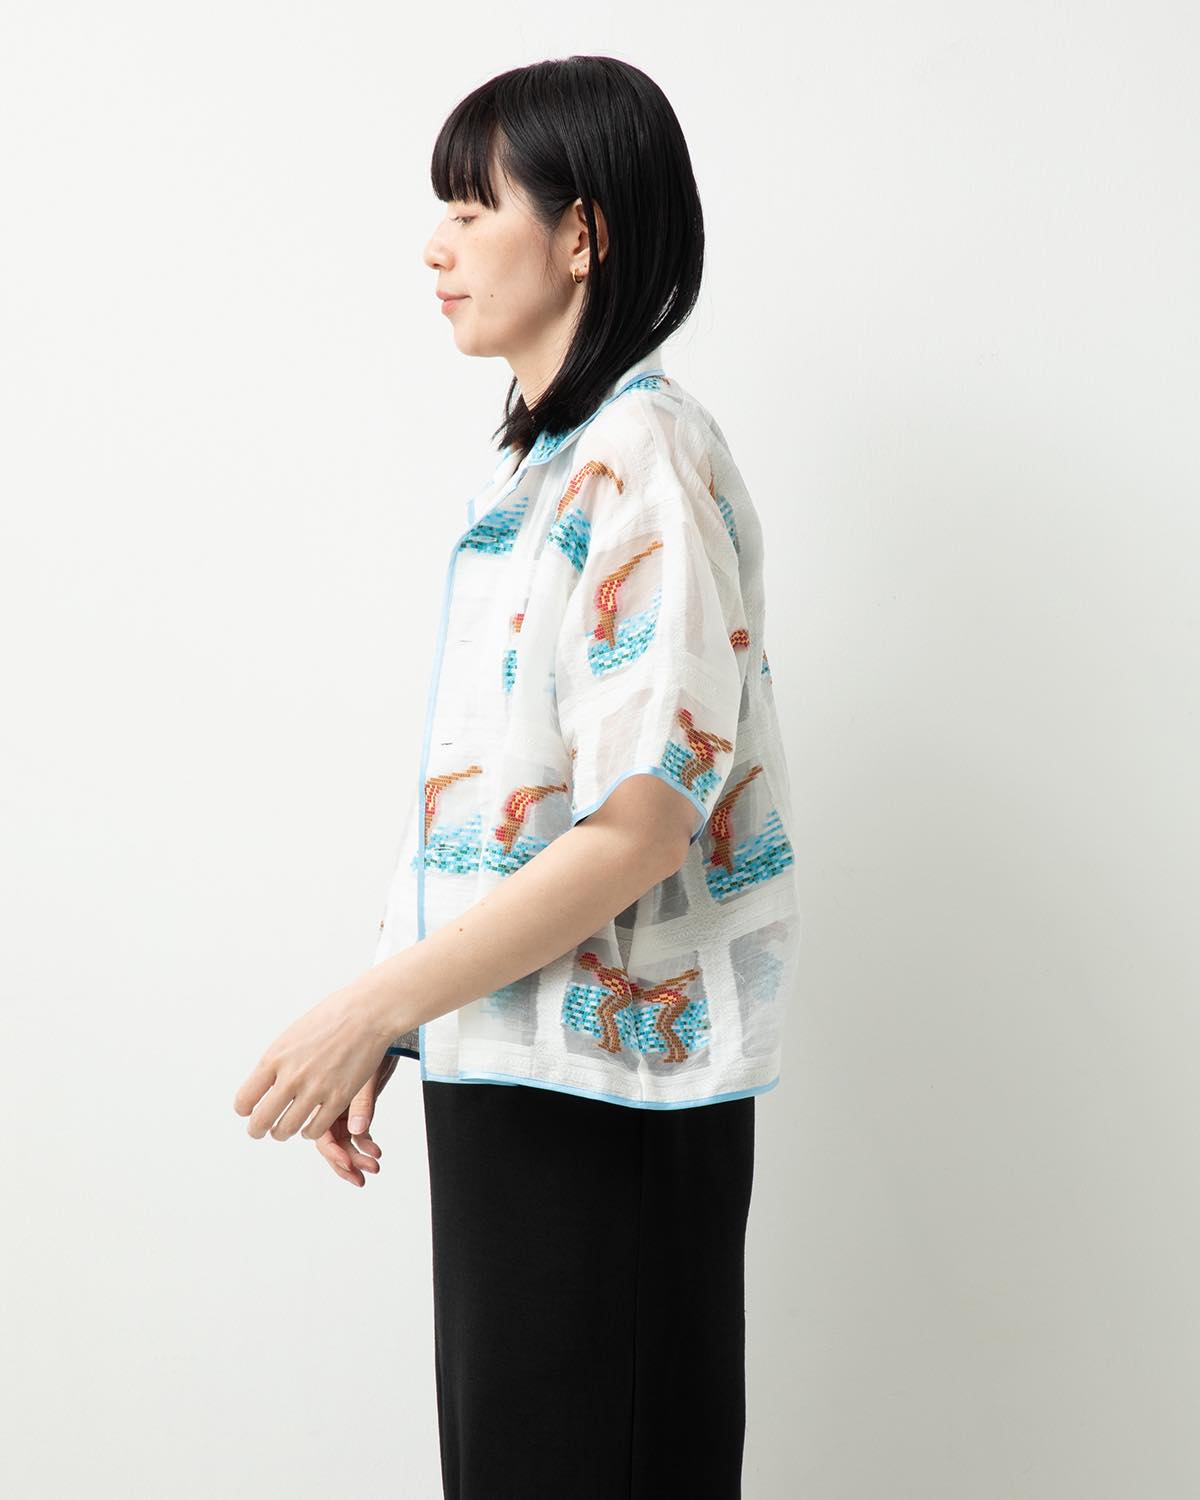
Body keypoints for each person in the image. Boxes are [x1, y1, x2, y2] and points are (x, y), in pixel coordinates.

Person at [234, 54, 801, 1500]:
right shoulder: (543, 469)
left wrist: (372, 1006)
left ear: (582, 233)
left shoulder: (643, 456)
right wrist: (398, 1014)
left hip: (613, 1099)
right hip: (516, 1068)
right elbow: (493, 804)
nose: (436, 247)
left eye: (472, 208)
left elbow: (640, 827)